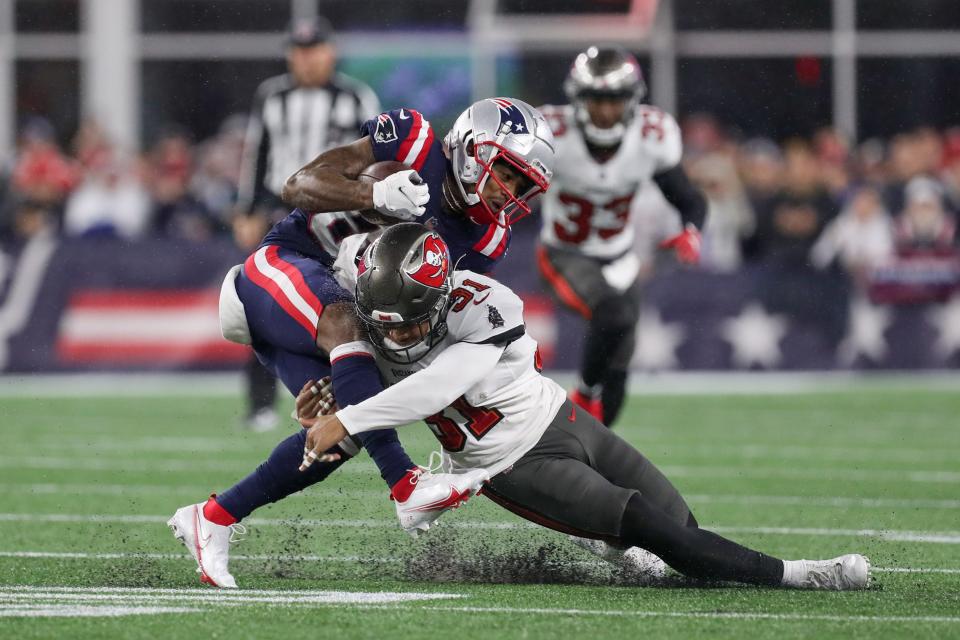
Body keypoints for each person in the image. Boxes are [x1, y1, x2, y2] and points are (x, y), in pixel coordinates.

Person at [298, 222, 871, 591]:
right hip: (512, 467)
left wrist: (344, 417)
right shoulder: (370, 319)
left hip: (563, 417)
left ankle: (616, 547)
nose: (403, 335)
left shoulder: (487, 303)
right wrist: (332, 397)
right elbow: (358, 390)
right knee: (655, 529)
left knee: (680, 525)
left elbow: (438, 386)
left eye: (418, 319)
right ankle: (797, 575)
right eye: (391, 323)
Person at [167, 97, 556, 588]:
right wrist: (371, 198)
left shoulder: (486, 238)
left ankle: (214, 517)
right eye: (509, 174)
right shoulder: (414, 140)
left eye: (524, 186)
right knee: (346, 327)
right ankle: (404, 484)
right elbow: (297, 185)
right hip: (285, 265)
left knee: (340, 435)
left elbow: (424, 312)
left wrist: (356, 386)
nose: (511, 193)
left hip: (343, 316)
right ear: (476, 150)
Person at [537, 46, 706, 426]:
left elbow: (688, 198)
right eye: (597, 100)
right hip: (565, 254)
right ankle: (583, 393)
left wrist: (691, 232)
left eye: (614, 101)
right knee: (612, 315)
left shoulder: (651, 137)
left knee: (618, 363)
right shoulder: (551, 135)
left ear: (632, 101)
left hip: (621, 257)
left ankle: (592, 448)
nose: (606, 111)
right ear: (578, 99)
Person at [233, 15, 382, 430]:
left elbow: (376, 158)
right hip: (282, 216)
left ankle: (355, 397)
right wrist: (246, 208)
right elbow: (257, 155)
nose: (307, 59)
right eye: (299, 51)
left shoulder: (356, 97)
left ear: (330, 52)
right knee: (263, 305)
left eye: (314, 50)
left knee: (349, 304)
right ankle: (261, 404)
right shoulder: (271, 96)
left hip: (342, 221)